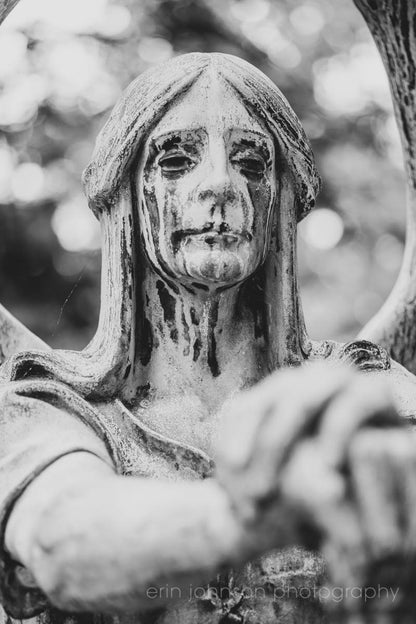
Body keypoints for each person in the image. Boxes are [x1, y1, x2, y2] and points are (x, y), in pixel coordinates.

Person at [1, 53, 416, 624]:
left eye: (251, 163)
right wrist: (262, 510)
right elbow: (62, 542)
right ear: (125, 190)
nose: (221, 184)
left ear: (282, 195)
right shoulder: (47, 407)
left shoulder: (367, 392)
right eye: (175, 160)